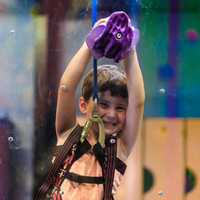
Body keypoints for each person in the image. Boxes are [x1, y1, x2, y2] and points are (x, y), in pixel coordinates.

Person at [36, 12, 145, 200]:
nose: (111, 114)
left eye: (120, 108)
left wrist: (130, 51)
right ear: (83, 105)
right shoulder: (67, 134)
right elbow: (66, 88)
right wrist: (89, 45)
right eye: (103, 104)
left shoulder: (120, 147)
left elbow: (138, 102)